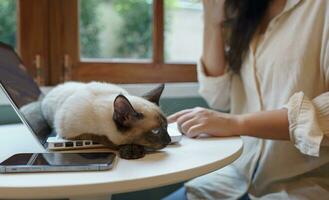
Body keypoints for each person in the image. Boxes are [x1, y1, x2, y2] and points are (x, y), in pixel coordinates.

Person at [164, 0, 329, 199]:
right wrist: (212, 20)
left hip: (305, 184)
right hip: (236, 174)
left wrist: (236, 123)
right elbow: (218, 97)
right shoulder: (243, 10)